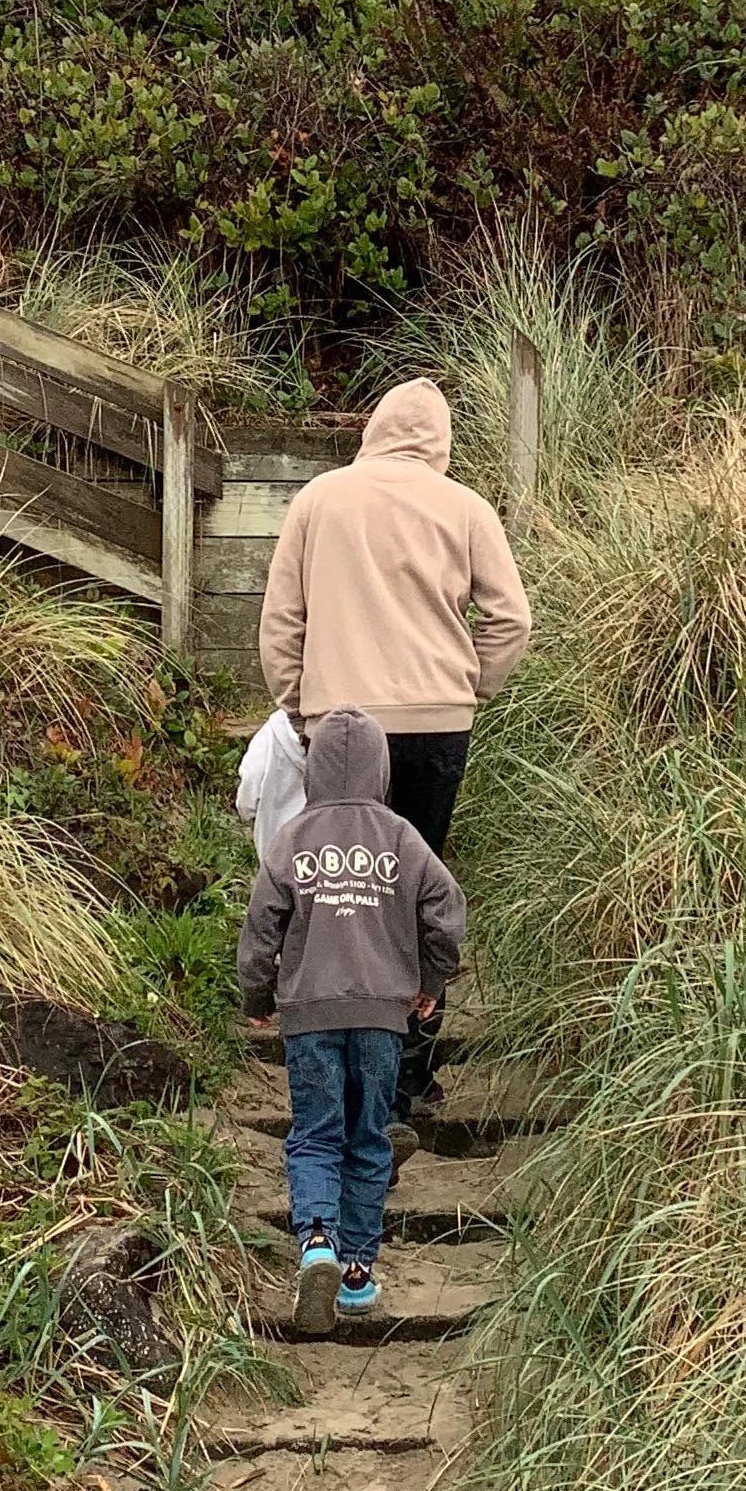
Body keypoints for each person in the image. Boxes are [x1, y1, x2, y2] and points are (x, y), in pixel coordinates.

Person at [255, 379, 530, 1118]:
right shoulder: (466, 508)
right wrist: (469, 688)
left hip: (339, 728)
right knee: (410, 890)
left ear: (372, 428)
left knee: (336, 888)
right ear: (441, 440)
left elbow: (281, 622)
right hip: (437, 726)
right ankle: (408, 1071)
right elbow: (511, 619)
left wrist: (298, 707)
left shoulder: (319, 499)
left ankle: (334, 1063)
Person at [239, 707, 466, 1334]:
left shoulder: (292, 839)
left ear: (312, 769)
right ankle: (359, 1273)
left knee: (315, 1131)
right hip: (382, 1019)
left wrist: (257, 996)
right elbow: (445, 907)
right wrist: (430, 979)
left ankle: (316, 1239)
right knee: (369, 1135)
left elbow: (261, 925)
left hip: (310, 1015)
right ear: (381, 767)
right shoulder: (401, 838)